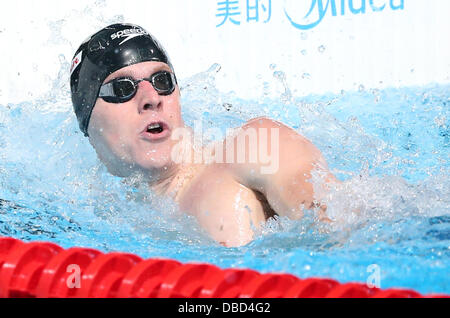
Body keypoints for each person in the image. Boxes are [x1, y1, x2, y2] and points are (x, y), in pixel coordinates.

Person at [70, 23, 340, 247]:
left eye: (162, 81)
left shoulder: (254, 148)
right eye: (122, 88)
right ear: (88, 119)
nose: (151, 98)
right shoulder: (100, 212)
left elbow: (338, 225)